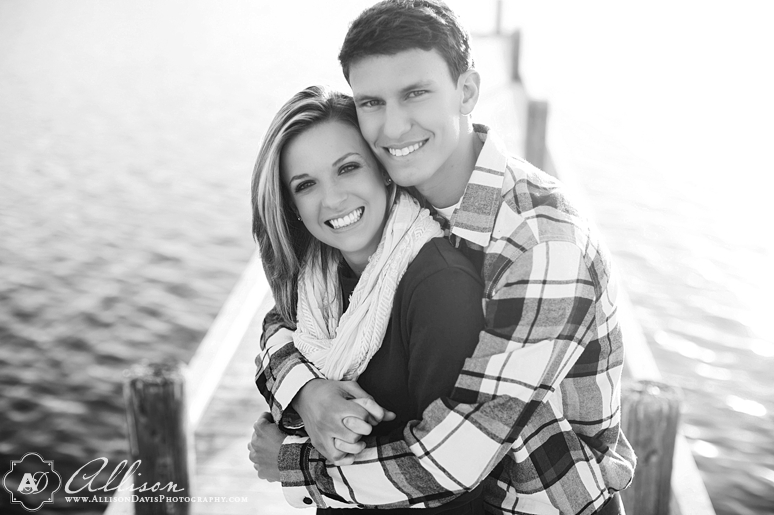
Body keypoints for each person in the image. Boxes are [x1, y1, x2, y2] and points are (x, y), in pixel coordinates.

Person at [251, 1, 636, 514]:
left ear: (467, 91)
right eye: (372, 102)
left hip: (544, 500)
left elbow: (452, 461)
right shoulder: (401, 201)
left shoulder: (543, 243)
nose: (393, 128)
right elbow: (286, 316)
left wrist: (292, 462)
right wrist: (306, 391)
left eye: (415, 93)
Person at [248, 84, 487, 514]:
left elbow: (455, 479)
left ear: (383, 168)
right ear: (292, 206)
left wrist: (291, 461)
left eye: (348, 168)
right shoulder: (318, 275)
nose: (333, 199)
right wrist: (307, 393)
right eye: (306, 184)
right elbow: (276, 328)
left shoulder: (440, 287)